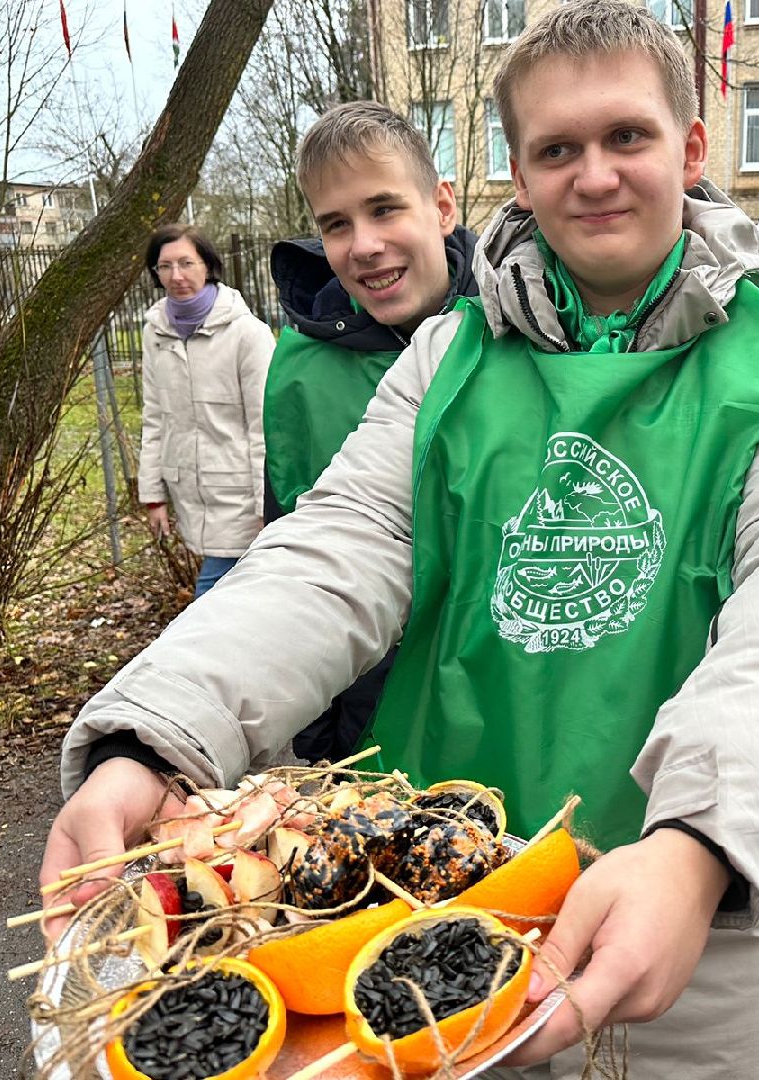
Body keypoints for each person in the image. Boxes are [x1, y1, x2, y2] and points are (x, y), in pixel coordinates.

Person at [39, 4, 759, 1078]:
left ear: (691, 148)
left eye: (626, 137)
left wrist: (699, 846)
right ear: (519, 170)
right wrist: (155, 737)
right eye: (557, 149)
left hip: (702, 934)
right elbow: (338, 550)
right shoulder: (446, 359)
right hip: (443, 905)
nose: (593, 175)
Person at [263, 102, 480, 763]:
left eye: (385, 209)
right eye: (336, 224)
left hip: (500, 710)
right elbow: (287, 535)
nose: (362, 244)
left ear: (441, 207)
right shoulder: (297, 367)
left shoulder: (520, 335)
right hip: (367, 728)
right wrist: (318, 729)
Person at [137, 224, 273, 598]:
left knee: (211, 597)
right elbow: (154, 417)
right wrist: (153, 496)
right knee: (239, 603)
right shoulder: (156, 332)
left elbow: (267, 426)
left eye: (186, 263)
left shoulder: (247, 334)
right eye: (165, 266)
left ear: (208, 266)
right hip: (191, 495)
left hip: (242, 498)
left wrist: (268, 509)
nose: (176, 276)